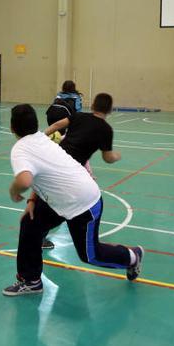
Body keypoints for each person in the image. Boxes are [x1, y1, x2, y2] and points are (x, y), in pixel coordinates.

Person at [2, 104, 143, 297]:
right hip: (62, 199)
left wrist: (13, 192)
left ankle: (133, 256)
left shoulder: (21, 149)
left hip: (83, 203)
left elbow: (25, 180)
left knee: (90, 255)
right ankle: (31, 280)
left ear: (12, 128)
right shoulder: (41, 138)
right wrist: (31, 202)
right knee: (30, 224)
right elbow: (40, 174)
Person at [41, 93, 122, 249]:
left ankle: (40, 233)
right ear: (110, 110)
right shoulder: (105, 129)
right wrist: (117, 156)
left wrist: (43, 136)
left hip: (56, 160)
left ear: (92, 105)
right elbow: (108, 158)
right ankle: (43, 235)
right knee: (63, 203)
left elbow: (57, 125)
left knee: (49, 199)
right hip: (71, 171)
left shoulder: (78, 116)